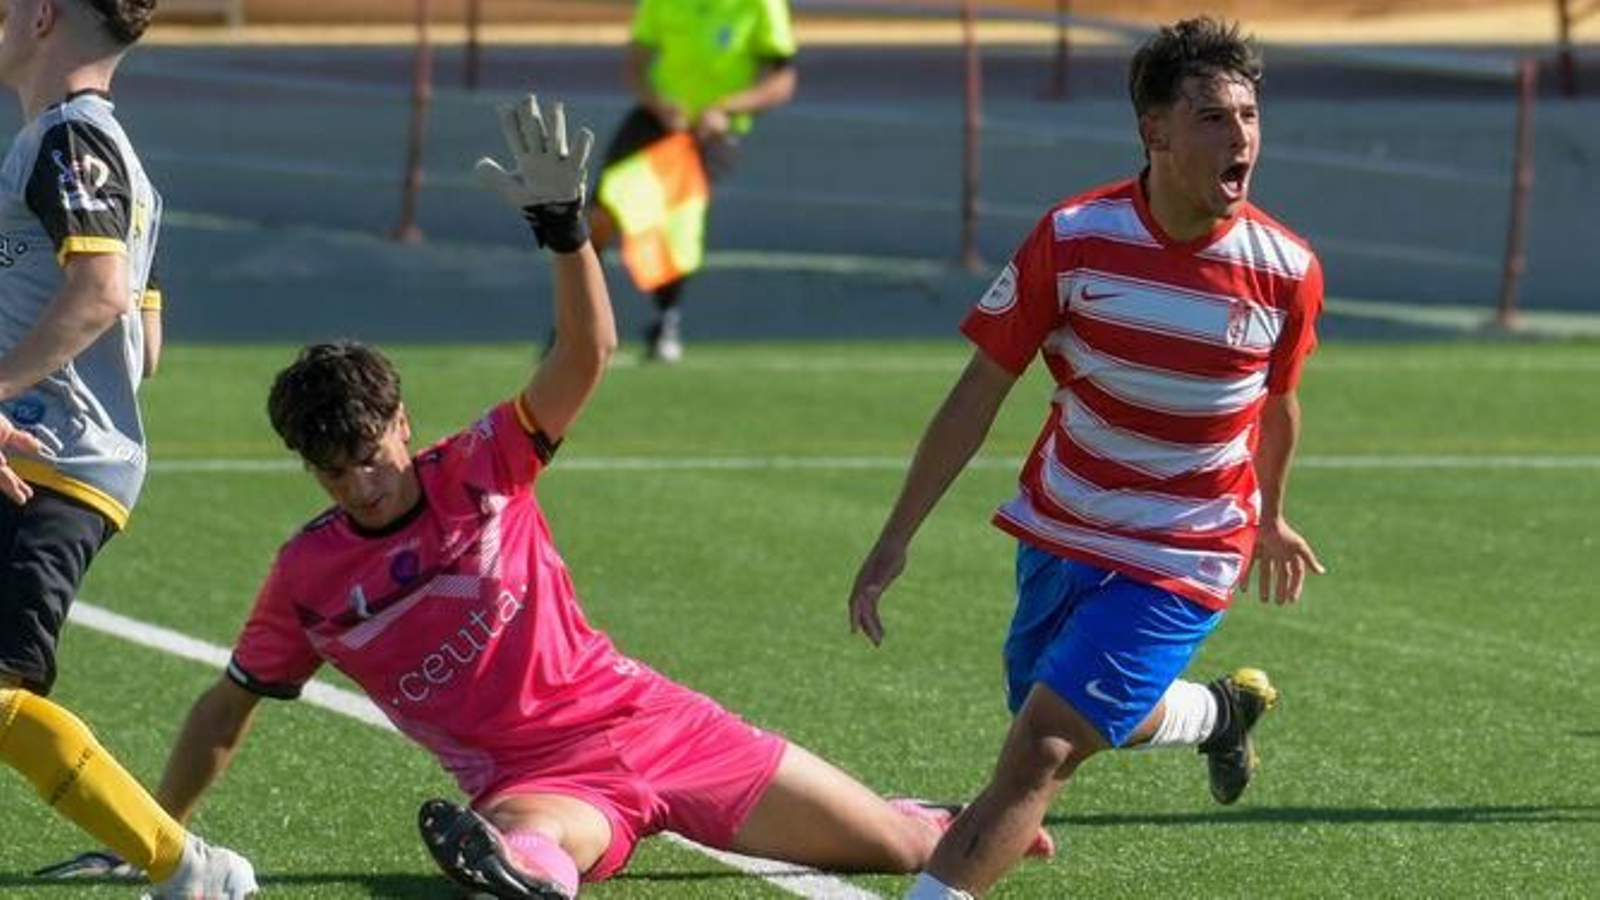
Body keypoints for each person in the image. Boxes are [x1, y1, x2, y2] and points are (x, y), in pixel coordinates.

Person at [43, 96, 1052, 900]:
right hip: (539, 783)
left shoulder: (478, 464)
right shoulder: (309, 578)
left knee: (890, 849)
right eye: (333, 466)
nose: (360, 475)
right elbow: (228, 709)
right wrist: (159, 836)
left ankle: (918, 811)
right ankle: (506, 866)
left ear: (401, 420)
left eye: (368, 449)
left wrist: (566, 233)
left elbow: (586, 352)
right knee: (533, 842)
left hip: (654, 721)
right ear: (308, 469)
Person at [846, 18, 1327, 899]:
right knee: (1048, 698)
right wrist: (896, 533)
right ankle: (1221, 712)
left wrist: (1274, 512)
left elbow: (1278, 404)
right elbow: (977, 392)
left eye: (1250, 116)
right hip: (1064, 522)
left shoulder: (1287, 268)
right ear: (1156, 133)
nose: (1242, 137)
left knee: (1045, 745)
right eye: (1215, 118)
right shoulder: (1072, 239)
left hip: (1188, 547)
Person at [0, 0, 258, 896]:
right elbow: (141, 342)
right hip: (52, 453)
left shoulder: (71, 140)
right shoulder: (103, 152)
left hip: (42, 465)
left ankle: (186, 868)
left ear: (40, 16)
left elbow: (103, 290)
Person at [590, 0, 797, 363]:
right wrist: (658, 103)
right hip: (657, 120)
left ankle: (666, 320)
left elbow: (781, 81)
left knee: (677, 221)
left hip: (713, 131)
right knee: (601, 212)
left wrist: (728, 108)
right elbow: (636, 64)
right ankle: (579, 319)